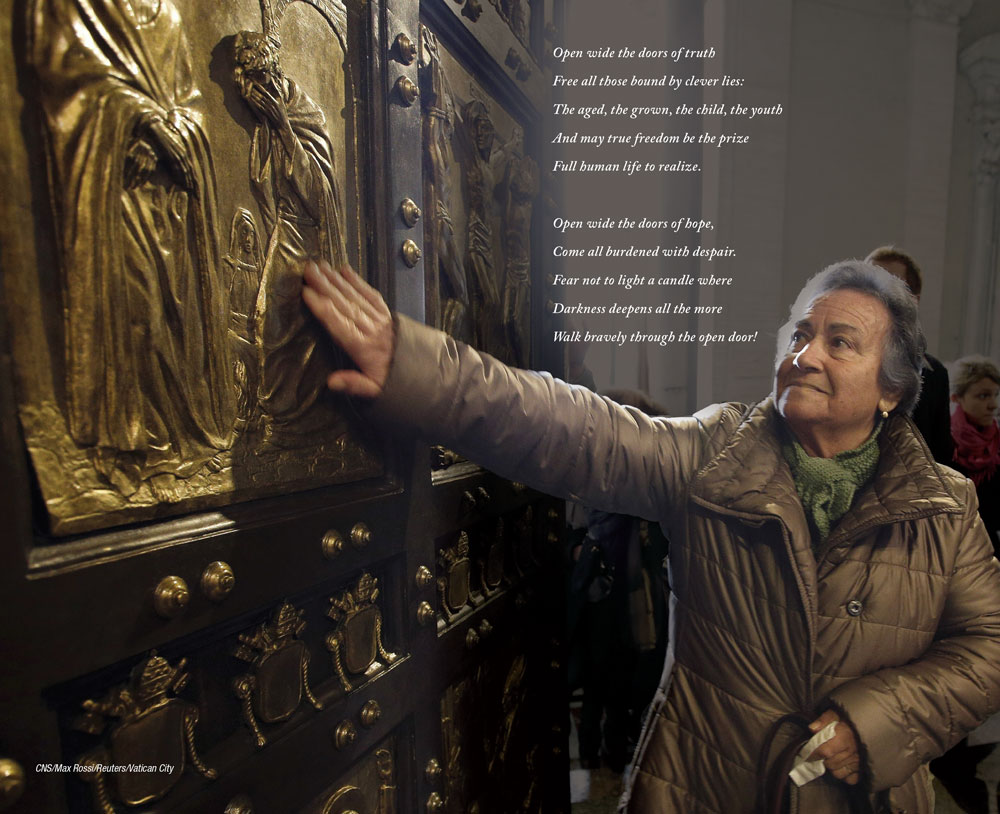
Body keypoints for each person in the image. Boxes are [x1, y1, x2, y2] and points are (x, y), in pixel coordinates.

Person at [301, 257, 1000, 813]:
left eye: (839, 342)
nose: (805, 355)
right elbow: (577, 428)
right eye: (799, 334)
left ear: (890, 389)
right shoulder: (716, 455)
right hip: (705, 784)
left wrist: (877, 727)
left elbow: (988, 651)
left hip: (869, 797)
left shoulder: (945, 505)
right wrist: (422, 371)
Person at [29, 0, 236, 495]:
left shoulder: (167, 15)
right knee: (134, 310)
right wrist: (138, 120)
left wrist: (175, 133)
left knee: (173, 314)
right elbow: (68, 81)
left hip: (169, 197)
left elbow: (189, 104)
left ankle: (179, 444)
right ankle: (140, 447)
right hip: (114, 186)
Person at [866, 246, 953, 465]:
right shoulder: (832, 358)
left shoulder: (933, 374)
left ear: (913, 300)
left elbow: (939, 455)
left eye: (888, 285)